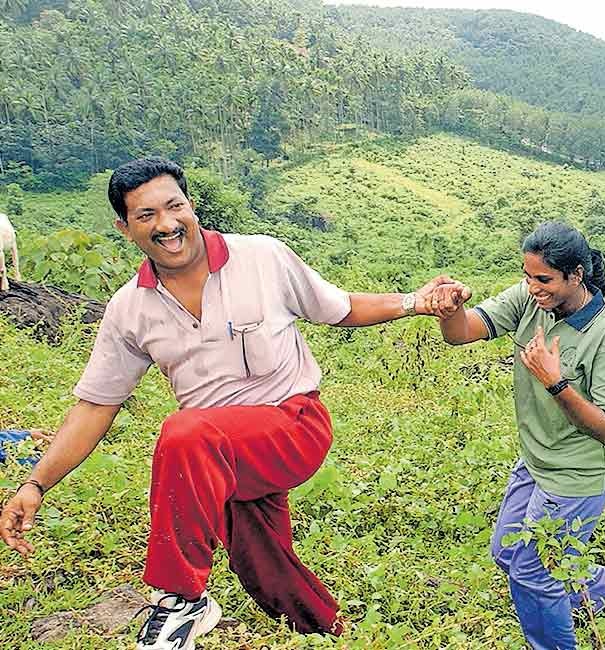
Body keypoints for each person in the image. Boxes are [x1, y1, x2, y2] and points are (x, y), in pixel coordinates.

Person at [0, 158, 458, 650]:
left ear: (191, 205)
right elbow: (95, 406)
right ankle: (327, 630)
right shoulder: (129, 307)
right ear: (125, 228)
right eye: (146, 215)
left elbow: (340, 308)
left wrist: (414, 302)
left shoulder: (262, 258)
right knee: (262, 563)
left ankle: (180, 599)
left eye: (174, 207)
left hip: (292, 426)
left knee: (185, 432)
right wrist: (35, 484)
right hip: (220, 453)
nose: (167, 224)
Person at [432, 221, 605, 648]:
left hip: (578, 473)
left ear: (576, 275)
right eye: (527, 276)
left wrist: (555, 382)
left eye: (543, 279)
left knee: (534, 572)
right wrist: (450, 309)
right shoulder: (531, 299)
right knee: (507, 553)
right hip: (537, 459)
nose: (532, 287)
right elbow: (462, 333)